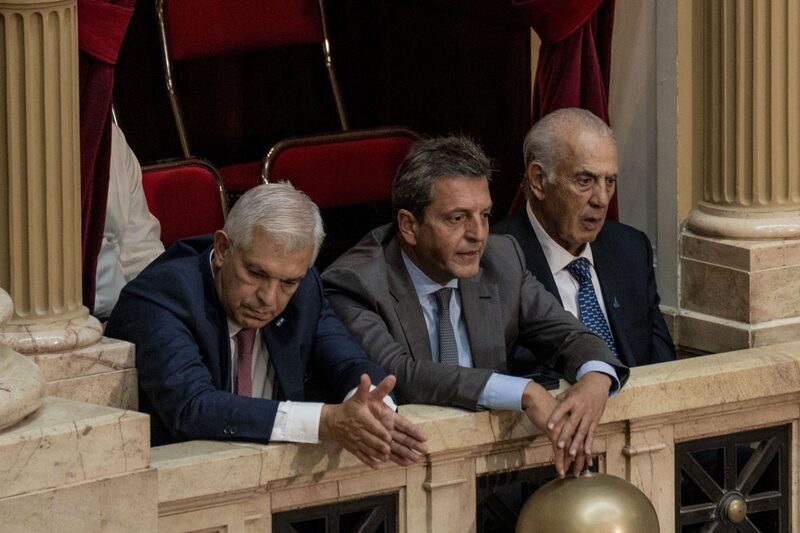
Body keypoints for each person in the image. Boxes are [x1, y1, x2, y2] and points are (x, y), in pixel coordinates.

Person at [322, 136, 629, 478]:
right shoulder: (356, 281)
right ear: (409, 225)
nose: (478, 234)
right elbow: (398, 374)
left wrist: (596, 378)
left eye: (484, 215)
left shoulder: (502, 259)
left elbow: (570, 336)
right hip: (394, 480)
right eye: (457, 218)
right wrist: (522, 391)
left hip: (495, 482)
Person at [105, 183, 428, 469]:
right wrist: (325, 421)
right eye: (256, 274)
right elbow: (193, 407)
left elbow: (347, 361)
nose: (269, 298)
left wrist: (373, 406)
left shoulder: (304, 289)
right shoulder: (161, 298)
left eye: (288, 282)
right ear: (222, 249)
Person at [492, 108, 675, 367]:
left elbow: (664, 368)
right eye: (585, 180)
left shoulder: (631, 249)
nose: (602, 199)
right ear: (539, 180)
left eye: (609, 181)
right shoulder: (494, 262)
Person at [93, 123, 164, 321]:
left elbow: (140, 251)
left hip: (118, 318)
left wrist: (162, 310)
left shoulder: (110, 137)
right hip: (44, 327)